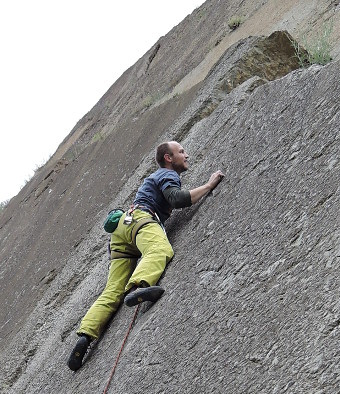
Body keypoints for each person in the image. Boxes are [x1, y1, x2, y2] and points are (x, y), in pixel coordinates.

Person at [67, 141, 224, 370]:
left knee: (112, 289)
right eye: (181, 152)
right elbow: (177, 199)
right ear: (168, 158)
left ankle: (86, 335)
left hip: (123, 231)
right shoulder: (165, 174)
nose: (187, 155)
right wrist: (209, 185)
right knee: (160, 250)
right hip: (141, 220)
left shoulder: (155, 178)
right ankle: (138, 288)